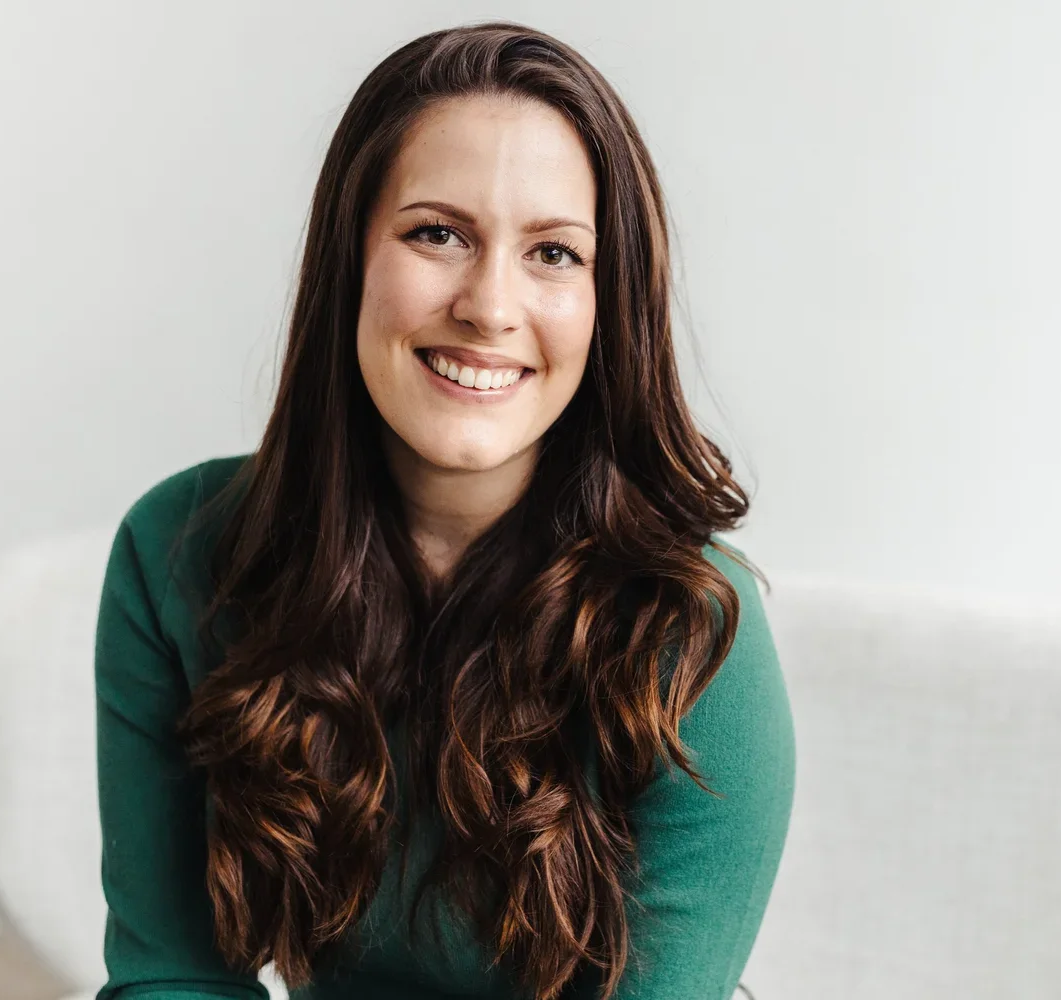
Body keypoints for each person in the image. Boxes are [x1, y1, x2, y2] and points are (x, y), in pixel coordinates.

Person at [92, 20, 795, 1000]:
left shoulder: (694, 623)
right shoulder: (178, 551)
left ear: (610, 303)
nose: (490, 305)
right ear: (350, 258)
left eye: (554, 252)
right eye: (438, 234)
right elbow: (170, 971)